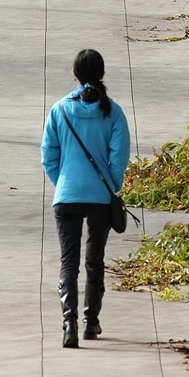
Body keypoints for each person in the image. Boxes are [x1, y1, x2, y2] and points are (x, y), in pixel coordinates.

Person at [41, 49, 131, 348]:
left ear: (75, 75)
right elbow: (119, 157)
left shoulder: (59, 110)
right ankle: (91, 323)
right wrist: (111, 185)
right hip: (99, 197)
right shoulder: (113, 111)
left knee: (69, 262)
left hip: (66, 197)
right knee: (95, 260)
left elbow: (48, 157)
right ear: (102, 74)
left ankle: (69, 325)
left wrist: (63, 184)